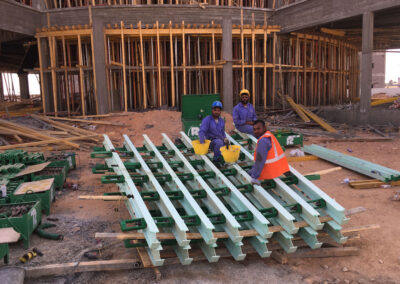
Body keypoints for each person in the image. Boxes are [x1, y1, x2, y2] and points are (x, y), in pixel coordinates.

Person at [248, 120, 290, 184]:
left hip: (269, 172)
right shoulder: (269, 135)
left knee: (248, 173)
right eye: (254, 129)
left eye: (258, 129)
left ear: (264, 128)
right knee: (252, 169)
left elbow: (260, 160)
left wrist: (254, 177)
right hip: (278, 169)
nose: (256, 131)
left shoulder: (263, 141)